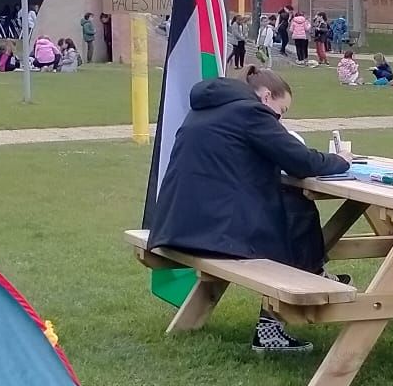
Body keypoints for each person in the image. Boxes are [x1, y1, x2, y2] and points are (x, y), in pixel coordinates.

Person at [146, 66, 349, 355]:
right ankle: (287, 308)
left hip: (178, 224)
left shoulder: (206, 108)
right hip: (213, 232)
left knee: (289, 208)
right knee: (296, 209)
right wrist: (342, 160)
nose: (279, 120)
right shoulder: (251, 112)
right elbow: (303, 162)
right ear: (266, 96)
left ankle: (314, 275)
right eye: (281, 111)